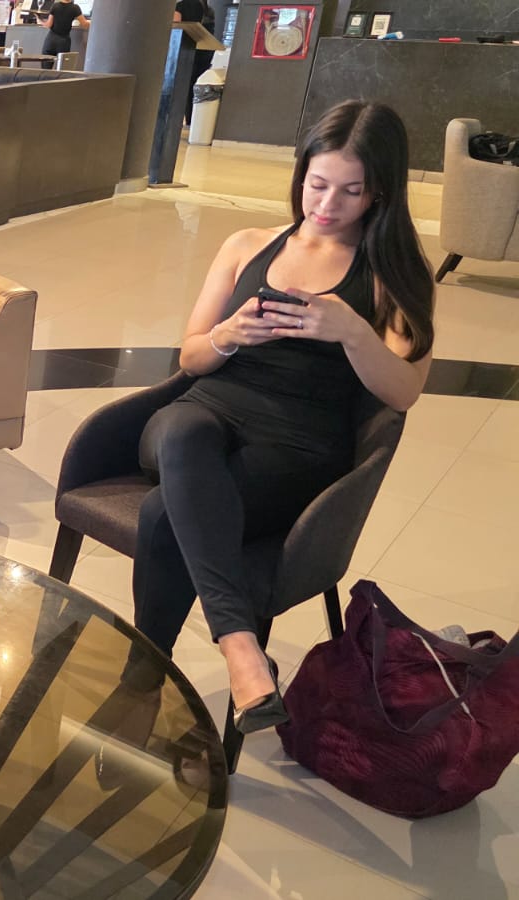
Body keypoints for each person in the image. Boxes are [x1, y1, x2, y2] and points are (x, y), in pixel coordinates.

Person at [133, 101, 434, 734]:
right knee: (182, 431)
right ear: (300, 174)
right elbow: (190, 357)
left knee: (163, 514)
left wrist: (351, 331)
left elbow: (404, 391)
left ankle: (141, 680)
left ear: (379, 192)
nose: (326, 204)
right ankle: (241, 647)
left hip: (295, 447)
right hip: (202, 414)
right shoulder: (247, 244)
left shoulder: (393, 274)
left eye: (350, 191)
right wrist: (229, 335)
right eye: (316, 184)